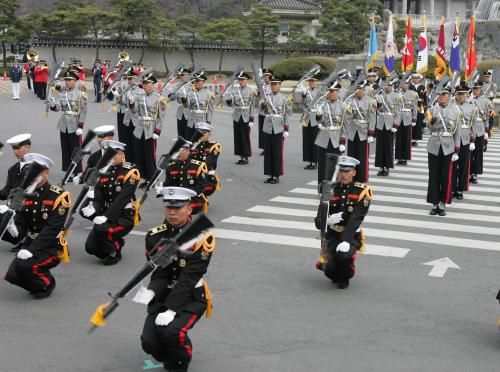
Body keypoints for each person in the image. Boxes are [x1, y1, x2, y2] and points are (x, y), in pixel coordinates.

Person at [136, 186, 215, 372]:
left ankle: (181, 361)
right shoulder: (155, 235)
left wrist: (171, 310)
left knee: (172, 332)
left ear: (189, 208)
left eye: (177, 208)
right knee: (149, 342)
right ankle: (171, 353)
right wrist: (152, 290)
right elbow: (159, 271)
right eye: (168, 207)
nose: (172, 212)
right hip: (163, 294)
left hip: (190, 296)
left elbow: (189, 277)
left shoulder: (201, 237)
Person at [1, 153, 71, 299]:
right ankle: (36, 282)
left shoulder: (58, 196)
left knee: (25, 266)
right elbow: (20, 229)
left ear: (46, 173)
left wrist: (31, 250)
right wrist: (11, 226)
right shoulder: (25, 194)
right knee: (13, 274)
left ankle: (48, 283)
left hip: (51, 245)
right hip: (30, 241)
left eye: (36, 173)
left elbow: (52, 229)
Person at [314, 155, 372, 289]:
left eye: (347, 171)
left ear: (354, 172)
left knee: (343, 257)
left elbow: (356, 218)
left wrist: (346, 240)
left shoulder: (361, 191)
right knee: (329, 269)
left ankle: (347, 273)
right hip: (332, 234)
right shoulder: (329, 189)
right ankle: (336, 271)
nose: (343, 174)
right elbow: (318, 219)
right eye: (341, 171)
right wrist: (326, 221)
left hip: (350, 235)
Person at [83, 140, 140, 265]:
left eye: (116, 154)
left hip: (123, 216)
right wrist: (93, 208)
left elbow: (123, 199)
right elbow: (98, 197)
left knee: (101, 228)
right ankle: (114, 241)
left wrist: (106, 217)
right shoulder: (103, 172)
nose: (113, 157)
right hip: (106, 213)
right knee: (91, 248)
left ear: (121, 154)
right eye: (110, 154)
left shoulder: (130, 172)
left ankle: (115, 249)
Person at [425, 87, 461, 216]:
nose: (441, 96)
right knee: (433, 175)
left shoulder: (456, 111)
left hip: (448, 145)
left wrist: (457, 150)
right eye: (439, 94)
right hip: (434, 144)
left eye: (444, 94)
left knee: (446, 176)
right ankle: (434, 203)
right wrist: (431, 121)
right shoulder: (432, 109)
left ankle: (443, 203)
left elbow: (458, 131)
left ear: (449, 96)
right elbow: (428, 127)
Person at [129, 73, 168, 185]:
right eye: (143, 83)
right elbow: (134, 112)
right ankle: (143, 177)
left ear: (152, 84)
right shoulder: (140, 97)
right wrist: (131, 103)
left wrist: (157, 131)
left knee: (149, 154)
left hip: (151, 129)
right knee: (139, 154)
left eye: (146, 83)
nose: (144, 85)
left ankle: (152, 177)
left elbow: (161, 117)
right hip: (140, 128)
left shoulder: (159, 98)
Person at [49, 70, 88, 173]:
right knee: (65, 149)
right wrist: (52, 104)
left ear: (75, 81)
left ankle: (78, 171)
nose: (67, 82)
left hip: (75, 124)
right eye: (66, 80)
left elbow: (83, 112)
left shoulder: (81, 94)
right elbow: (57, 108)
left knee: (75, 150)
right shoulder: (62, 94)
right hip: (63, 124)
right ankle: (68, 171)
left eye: (69, 80)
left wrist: (80, 126)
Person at [314, 81, 350, 184]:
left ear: (338, 92)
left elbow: (345, 126)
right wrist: (319, 114)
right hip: (323, 139)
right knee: (322, 166)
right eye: (329, 91)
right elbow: (319, 122)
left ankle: (334, 190)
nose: (330, 93)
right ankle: (322, 190)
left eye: (333, 91)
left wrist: (343, 142)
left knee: (334, 167)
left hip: (335, 140)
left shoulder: (344, 106)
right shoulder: (323, 105)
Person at [260, 75, 292, 184]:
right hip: (268, 127)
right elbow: (261, 111)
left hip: (278, 128)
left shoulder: (284, 98)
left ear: (279, 85)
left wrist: (286, 129)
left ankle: (276, 175)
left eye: (275, 84)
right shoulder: (266, 97)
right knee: (268, 152)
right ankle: (270, 174)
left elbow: (287, 114)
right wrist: (263, 106)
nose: (273, 86)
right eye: (272, 84)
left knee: (277, 153)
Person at [344, 81, 377, 183]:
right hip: (352, 131)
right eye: (356, 89)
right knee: (351, 156)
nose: (358, 91)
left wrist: (371, 133)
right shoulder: (350, 101)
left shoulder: (370, 101)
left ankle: (362, 179)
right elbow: (347, 117)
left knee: (362, 157)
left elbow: (372, 118)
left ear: (364, 90)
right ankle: (351, 178)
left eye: (360, 89)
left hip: (364, 131)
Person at [163, 143, 208, 215]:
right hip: (176, 198)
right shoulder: (171, 166)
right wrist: (162, 190)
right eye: (176, 150)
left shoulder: (197, 166)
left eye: (180, 151)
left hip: (193, 199)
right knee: (172, 212)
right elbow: (168, 184)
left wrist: (187, 194)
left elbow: (201, 185)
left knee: (181, 210)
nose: (177, 153)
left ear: (188, 151)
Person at [452, 82, 477, 200]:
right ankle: (452, 188)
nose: (461, 96)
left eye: (463, 94)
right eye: (459, 94)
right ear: (456, 95)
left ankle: (461, 189)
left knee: (463, 165)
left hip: (465, 139)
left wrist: (473, 140)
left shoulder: (472, 107)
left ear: (467, 95)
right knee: (452, 165)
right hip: (452, 140)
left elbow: (474, 125)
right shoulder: (451, 106)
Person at [225, 71, 255, 165]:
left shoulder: (250, 91)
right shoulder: (235, 91)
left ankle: (245, 156)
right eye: (239, 80)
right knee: (237, 136)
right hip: (237, 115)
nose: (241, 82)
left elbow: (253, 105)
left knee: (244, 137)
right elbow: (231, 104)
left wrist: (251, 118)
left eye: (242, 80)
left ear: (246, 80)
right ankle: (240, 156)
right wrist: (229, 102)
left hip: (246, 115)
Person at [374, 81, 401, 176]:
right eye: (386, 85)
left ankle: (387, 167)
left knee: (388, 146)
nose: (387, 87)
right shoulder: (379, 96)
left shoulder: (397, 96)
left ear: (392, 86)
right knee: (380, 146)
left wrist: (396, 125)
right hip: (381, 122)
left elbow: (398, 112)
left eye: (389, 85)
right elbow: (375, 109)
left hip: (390, 123)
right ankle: (381, 166)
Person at [469, 80, 494, 184]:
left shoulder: (486, 101)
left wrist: (486, 131)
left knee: (478, 153)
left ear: (481, 89)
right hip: (470, 129)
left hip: (480, 129)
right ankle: (468, 172)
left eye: (477, 89)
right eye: (474, 88)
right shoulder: (468, 100)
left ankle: (475, 174)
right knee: (469, 153)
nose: (475, 90)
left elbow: (487, 117)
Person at [189, 122, 221, 197]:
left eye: (204, 132)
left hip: (206, 178)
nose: (201, 134)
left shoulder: (213, 146)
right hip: (191, 175)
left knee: (195, 202)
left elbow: (207, 164)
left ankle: (201, 197)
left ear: (210, 134)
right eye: (199, 132)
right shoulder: (192, 145)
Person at [182, 71, 215, 139]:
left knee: (200, 143)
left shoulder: (208, 94)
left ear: (203, 82)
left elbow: (210, 110)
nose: (195, 83)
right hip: (191, 122)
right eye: (194, 81)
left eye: (197, 81)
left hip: (202, 122)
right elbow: (187, 106)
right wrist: (184, 100)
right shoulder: (190, 93)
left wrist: (208, 123)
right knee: (190, 142)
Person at [0, 134, 32, 201]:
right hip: (14, 207)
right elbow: (6, 191)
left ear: (28, 147)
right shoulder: (13, 169)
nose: (15, 152)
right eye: (14, 149)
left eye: (18, 148)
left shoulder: (37, 168)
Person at [299, 76, 321, 170]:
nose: (311, 83)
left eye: (313, 81)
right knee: (306, 140)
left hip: (315, 118)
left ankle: (315, 161)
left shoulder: (320, 92)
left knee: (314, 140)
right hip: (306, 117)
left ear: (316, 82)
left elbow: (323, 103)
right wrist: (303, 95)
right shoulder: (306, 91)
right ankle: (309, 160)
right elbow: (302, 103)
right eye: (310, 81)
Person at [396, 80, 418, 165]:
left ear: (408, 84)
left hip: (408, 118)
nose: (402, 85)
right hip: (398, 118)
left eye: (404, 83)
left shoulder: (413, 94)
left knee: (406, 139)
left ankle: (405, 158)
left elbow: (415, 107)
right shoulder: (397, 93)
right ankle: (399, 158)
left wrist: (414, 119)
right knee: (398, 139)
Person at [167, 67, 192, 140]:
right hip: (180, 110)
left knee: (188, 129)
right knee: (181, 129)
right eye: (182, 75)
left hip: (189, 109)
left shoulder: (191, 86)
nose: (183, 77)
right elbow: (173, 98)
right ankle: (180, 143)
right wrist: (171, 94)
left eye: (184, 75)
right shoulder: (177, 86)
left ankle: (188, 144)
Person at [257, 69, 273, 155]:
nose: (266, 77)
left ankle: (270, 147)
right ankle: (264, 147)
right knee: (262, 130)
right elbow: (258, 97)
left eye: (267, 76)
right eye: (264, 76)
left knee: (269, 130)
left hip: (270, 111)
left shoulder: (273, 85)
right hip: (262, 111)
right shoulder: (261, 86)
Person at [410, 73, 427, 147]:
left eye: (417, 78)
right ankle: (409, 138)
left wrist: (424, 107)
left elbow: (425, 98)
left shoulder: (423, 87)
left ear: (419, 79)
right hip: (410, 105)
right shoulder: (410, 86)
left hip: (419, 106)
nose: (415, 80)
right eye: (414, 78)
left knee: (418, 122)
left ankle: (415, 139)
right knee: (410, 121)